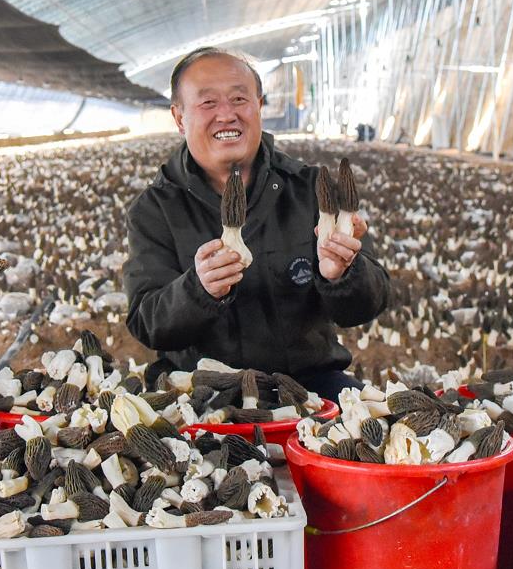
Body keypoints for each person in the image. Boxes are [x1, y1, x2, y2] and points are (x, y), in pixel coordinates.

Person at [123, 47, 391, 400]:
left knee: (379, 428)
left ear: (259, 105)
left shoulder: (311, 190)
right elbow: (147, 323)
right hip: (201, 390)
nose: (226, 114)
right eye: (208, 103)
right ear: (179, 117)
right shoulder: (155, 210)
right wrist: (197, 290)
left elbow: (367, 306)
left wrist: (343, 276)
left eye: (239, 99)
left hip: (309, 383)